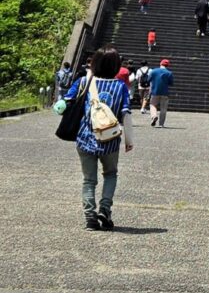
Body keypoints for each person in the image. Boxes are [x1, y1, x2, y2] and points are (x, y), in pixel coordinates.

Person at [62, 45, 134, 230]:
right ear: (116, 66)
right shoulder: (121, 86)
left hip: (85, 138)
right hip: (110, 140)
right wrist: (129, 140)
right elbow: (126, 114)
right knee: (110, 174)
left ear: (94, 63)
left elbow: (66, 102)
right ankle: (105, 209)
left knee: (89, 180)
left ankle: (90, 218)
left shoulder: (84, 82)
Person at [148, 58, 174, 127]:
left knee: (152, 105)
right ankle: (161, 124)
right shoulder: (169, 73)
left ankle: (154, 116)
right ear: (167, 65)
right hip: (165, 92)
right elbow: (171, 83)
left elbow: (148, 80)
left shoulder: (153, 71)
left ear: (160, 64)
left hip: (155, 91)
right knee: (163, 108)